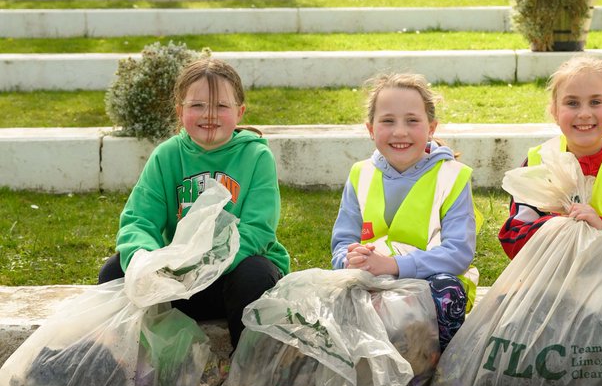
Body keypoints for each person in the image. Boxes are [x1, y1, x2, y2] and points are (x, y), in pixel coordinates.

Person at [99, 57, 289, 348]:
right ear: (180, 111)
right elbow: (139, 220)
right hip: (177, 283)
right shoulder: (167, 156)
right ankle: (123, 369)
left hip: (231, 282)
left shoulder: (256, 158)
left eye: (221, 106)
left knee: (255, 273)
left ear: (239, 112)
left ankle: (246, 376)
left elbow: (258, 230)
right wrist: (146, 261)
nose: (209, 115)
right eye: (197, 105)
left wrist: (208, 265)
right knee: (114, 271)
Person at [331, 73, 478, 350]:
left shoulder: (452, 176)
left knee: (447, 291)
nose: (400, 132)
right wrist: (350, 260)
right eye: (388, 121)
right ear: (370, 129)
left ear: (431, 127)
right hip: (372, 279)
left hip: (428, 282)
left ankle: (439, 375)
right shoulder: (360, 174)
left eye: (412, 121)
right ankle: (366, 373)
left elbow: (459, 252)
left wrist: (394, 266)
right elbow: (342, 242)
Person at [499, 56, 602, 261]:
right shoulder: (538, 163)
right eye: (572, 103)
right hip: (552, 281)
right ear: (555, 112)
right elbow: (513, 241)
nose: (584, 113)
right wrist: (557, 226)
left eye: (595, 102)